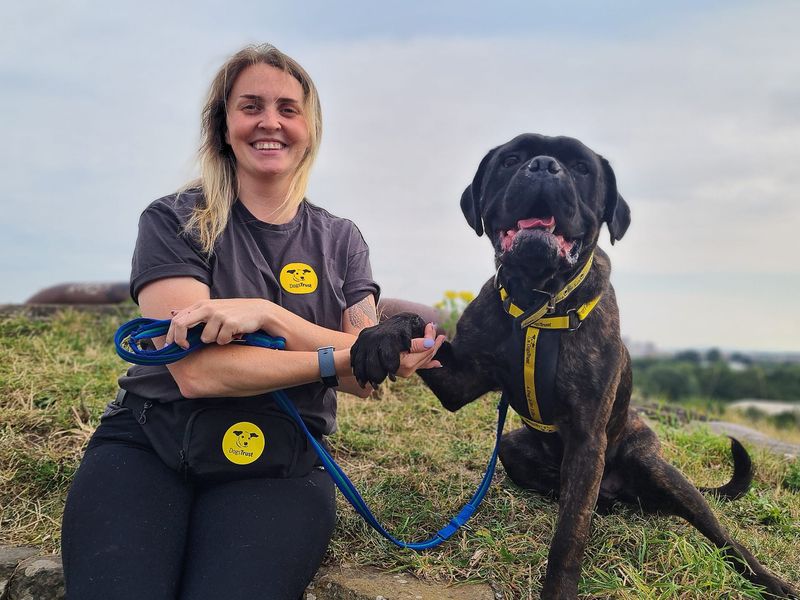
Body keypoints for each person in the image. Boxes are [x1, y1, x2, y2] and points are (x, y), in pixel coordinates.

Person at [61, 43, 444, 600]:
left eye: (289, 109)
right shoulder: (175, 220)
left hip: (282, 462)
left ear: (310, 128)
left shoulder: (342, 241)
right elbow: (200, 374)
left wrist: (269, 315)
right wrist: (344, 356)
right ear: (223, 124)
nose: (271, 122)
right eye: (251, 106)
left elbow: (364, 376)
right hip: (151, 444)